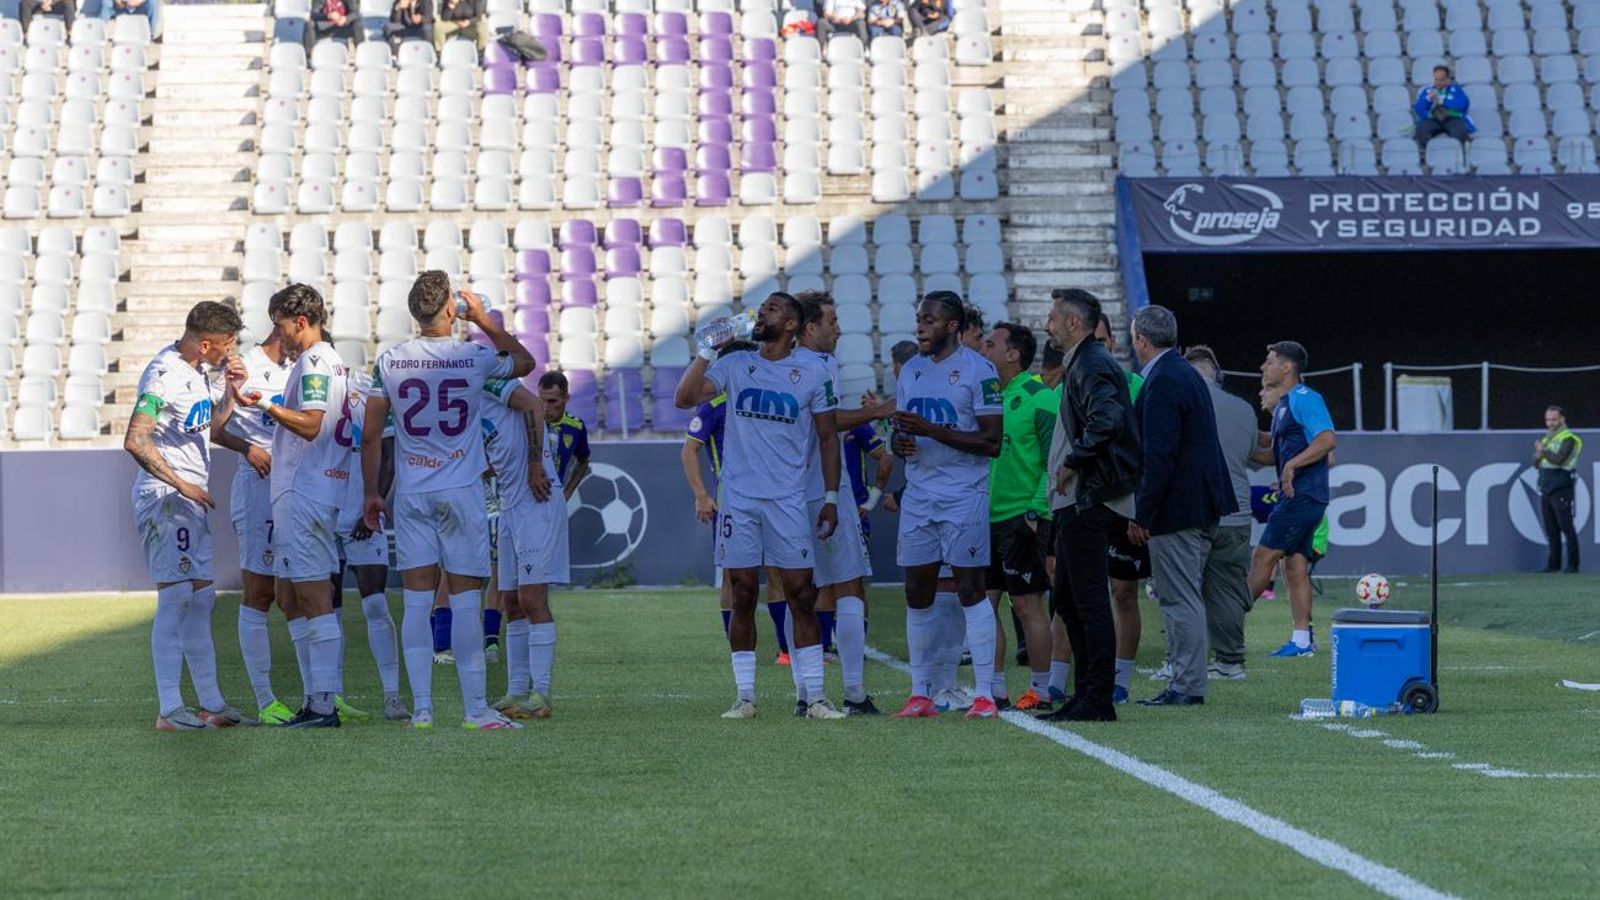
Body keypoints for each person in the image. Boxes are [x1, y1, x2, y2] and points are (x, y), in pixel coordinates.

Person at [361, 272, 537, 732]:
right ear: (449, 310)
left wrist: (371, 492)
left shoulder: (391, 360)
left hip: (413, 491)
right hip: (461, 489)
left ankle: (422, 709)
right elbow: (524, 362)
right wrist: (483, 319)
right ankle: (475, 709)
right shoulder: (472, 355)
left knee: (417, 603)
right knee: (464, 601)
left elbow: (371, 435)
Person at [674, 292, 845, 720]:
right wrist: (708, 347)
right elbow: (685, 397)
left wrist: (829, 497)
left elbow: (827, 437)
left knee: (802, 594)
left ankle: (815, 698)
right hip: (740, 499)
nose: (761, 313)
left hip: (787, 499)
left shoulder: (811, 372)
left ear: (791, 325)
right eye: (762, 308)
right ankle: (745, 696)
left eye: (772, 309)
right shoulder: (735, 364)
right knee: (744, 592)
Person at [230, 285, 351, 728]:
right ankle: (319, 700)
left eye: (281, 325)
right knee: (301, 593)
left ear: (300, 322)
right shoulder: (333, 359)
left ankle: (323, 706)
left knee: (314, 595)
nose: (278, 334)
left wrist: (266, 403)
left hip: (304, 490)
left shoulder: (315, 360)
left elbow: (312, 424)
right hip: (319, 487)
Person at [124, 301, 247, 732]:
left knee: (200, 600)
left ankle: (211, 704)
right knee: (176, 598)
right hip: (166, 499)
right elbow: (136, 439)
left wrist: (231, 392)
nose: (231, 353)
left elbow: (209, 427)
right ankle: (169, 709)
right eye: (227, 346)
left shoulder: (197, 373)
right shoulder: (164, 374)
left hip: (191, 501)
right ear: (207, 342)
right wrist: (181, 484)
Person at [889, 291, 1004, 720]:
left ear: (952, 326)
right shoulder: (912, 372)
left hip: (963, 497)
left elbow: (991, 442)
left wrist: (931, 430)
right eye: (919, 319)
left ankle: (985, 695)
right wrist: (899, 443)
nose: (921, 327)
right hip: (920, 496)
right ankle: (921, 693)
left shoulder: (980, 371)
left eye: (930, 320)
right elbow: (903, 430)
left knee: (971, 591)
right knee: (916, 593)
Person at [1036, 289, 1139, 723]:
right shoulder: (1085, 362)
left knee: (1086, 599)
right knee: (1070, 598)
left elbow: (1108, 420)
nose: (1047, 325)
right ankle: (1087, 694)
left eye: (1053, 317)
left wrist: (1074, 462)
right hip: (1080, 497)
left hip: (1088, 497)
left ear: (1073, 324)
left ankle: (1096, 698)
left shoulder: (1092, 363)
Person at [1125, 305, 1235, 709]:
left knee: (1179, 596)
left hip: (1179, 507)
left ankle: (1187, 685)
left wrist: (1143, 512)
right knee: (1184, 595)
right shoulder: (1181, 373)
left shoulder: (1165, 379)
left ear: (1140, 339)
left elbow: (1160, 454)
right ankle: (1185, 680)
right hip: (1198, 501)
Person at [794, 292, 881, 716]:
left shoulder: (782, 364)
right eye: (832, 320)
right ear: (810, 329)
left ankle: (805, 693)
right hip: (825, 488)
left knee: (798, 589)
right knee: (848, 585)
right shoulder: (819, 365)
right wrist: (881, 410)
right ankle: (854, 693)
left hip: (788, 492)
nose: (839, 328)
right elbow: (827, 423)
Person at [681, 341, 794, 662]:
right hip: (730, 501)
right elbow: (689, 450)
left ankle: (785, 649)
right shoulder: (713, 404)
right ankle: (739, 649)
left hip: (773, 497)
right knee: (735, 577)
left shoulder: (762, 400)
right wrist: (702, 495)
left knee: (776, 573)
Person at [209, 328, 297, 725]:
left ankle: (324, 693)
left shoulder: (303, 364)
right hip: (258, 486)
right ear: (283, 325)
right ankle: (265, 701)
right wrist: (248, 447)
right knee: (260, 592)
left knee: (306, 592)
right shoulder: (244, 365)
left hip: (297, 487)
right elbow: (213, 426)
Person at [979, 321, 1057, 711]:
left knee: (1027, 606)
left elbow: (1053, 460)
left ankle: (1041, 689)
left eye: (990, 343)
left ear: (1013, 354)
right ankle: (994, 689)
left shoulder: (1039, 397)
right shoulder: (990, 395)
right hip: (986, 517)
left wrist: (1035, 510)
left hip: (1022, 517)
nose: (983, 347)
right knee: (983, 603)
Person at [481, 376, 563, 720]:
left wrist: (534, 465)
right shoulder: (469, 401)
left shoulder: (498, 386)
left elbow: (533, 404)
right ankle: (516, 691)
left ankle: (540, 693)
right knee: (510, 601)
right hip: (510, 503)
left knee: (531, 598)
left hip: (536, 499)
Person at [1249, 341, 1336, 657]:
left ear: (1287, 368)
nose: (1263, 367)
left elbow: (1328, 440)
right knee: (1294, 565)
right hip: (1305, 497)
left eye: (1269, 361)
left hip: (1302, 496)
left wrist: (1292, 465)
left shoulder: (1304, 398)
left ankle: (1225, 623)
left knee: (1263, 557)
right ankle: (1302, 640)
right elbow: (1271, 450)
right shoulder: (1283, 405)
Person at [332, 373, 408, 721]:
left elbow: (388, 455)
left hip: (363, 513)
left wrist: (372, 503)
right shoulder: (302, 388)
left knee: (375, 604)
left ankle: (393, 697)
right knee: (326, 610)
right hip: (323, 516)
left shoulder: (366, 390)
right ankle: (332, 698)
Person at [1183, 346, 1260, 681]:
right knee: (1227, 590)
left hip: (1194, 511)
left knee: (1183, 590)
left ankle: (1181, 661)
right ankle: (1230, 662)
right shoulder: (1244, 409)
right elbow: (1250, 456)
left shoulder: (1183, 404)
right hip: (1237, 512)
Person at [1095, 314, 1147, 703]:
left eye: (1103, 339)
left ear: (1113, 342)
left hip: (1124, 503)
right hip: (1083, 503)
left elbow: (1148, 452)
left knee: (1124, 593)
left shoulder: (1138, 387)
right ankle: (1067, 676)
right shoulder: (1071, 386)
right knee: (1075, 593)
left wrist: (1137, 508)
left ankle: (1121, 680)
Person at [1535, 405, 1583, 573]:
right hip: (1546, 488)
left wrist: (1543, 451)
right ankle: (1553, 565)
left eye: (1554, 419)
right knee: (1551, 529)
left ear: (1562, 419)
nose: (1550, 423)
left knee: (1566, 527)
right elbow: (1537, 464)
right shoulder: (1547, 439)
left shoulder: (1569, 438)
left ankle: (1572, 564)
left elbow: (1560, 460)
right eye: (1548, 419)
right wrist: (1538, 455)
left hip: (1561, 487)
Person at [537, 371, 592, 502]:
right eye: (541, 400)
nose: (545, 407)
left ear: (566, 398)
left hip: (554, 498)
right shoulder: (527, 421)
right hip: (525, 497)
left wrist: (567, 493)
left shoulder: (576, 426)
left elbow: (583, 462)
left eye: (552, 401)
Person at [1413, 65, 1474, 150]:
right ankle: (1433, 155)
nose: (1438, 82)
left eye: (1441, 80)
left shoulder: (1456, 90)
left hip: (1452, 118)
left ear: (1447, 79)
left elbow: (1464, 104)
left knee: (1460, 132)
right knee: (1421, 132)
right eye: (1436, 79)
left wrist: (1444, 102)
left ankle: (1455, 156)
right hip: (1432, 119)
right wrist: (1427, 99)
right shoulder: (1427, 91)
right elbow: (1418, 108)